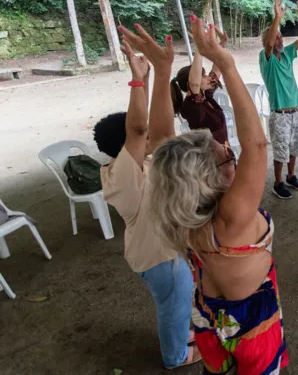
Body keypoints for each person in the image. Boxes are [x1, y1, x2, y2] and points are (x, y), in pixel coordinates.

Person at [148, 16, 288, 374]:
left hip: (207, 313)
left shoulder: (181, 211)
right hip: (249, 322)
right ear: (212, 174)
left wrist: (160, 72)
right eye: (225, 154)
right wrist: (225, 61)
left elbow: (163, 144)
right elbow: (257, 145)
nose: (231, 153)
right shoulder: (233, 218)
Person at [93, 25, 200, 369]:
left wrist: (163, 71)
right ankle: (176, 356)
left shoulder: (145, 162)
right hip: (160, 260)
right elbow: (140, 130)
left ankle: (181, 338)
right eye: (139, 138)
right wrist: (138, 80)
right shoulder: (121, 176)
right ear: (124, 146)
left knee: (178, 304)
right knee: (174, 306)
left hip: (162, 253)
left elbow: (164, 132)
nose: (146, 136)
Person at [260, 0, 298, 199]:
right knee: (280, 149)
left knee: (294, 146)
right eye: (277, 38)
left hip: (294, 110)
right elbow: (270, 42)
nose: (280, 40)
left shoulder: (288, 54)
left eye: (281, 37)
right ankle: (278, 182)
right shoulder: (267, 59)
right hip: (279, 113)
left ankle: (290, 176)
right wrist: (277, 18)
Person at [171, 26, 228, 145]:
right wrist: (199, 47)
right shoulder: (190, 105)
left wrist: (221, 45)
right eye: (203, 75)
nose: (208, 77)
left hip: (223, 154)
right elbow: (194, 82)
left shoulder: (206, 95)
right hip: (209, 159)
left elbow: (217, 68)